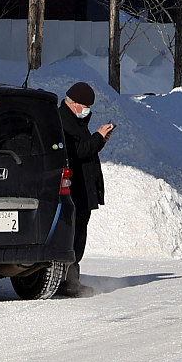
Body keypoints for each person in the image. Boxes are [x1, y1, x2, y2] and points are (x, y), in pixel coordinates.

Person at [58, 81, 115, 264]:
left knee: (80, 231)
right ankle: (69, 273)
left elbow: (86, 149)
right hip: (74, 188)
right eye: (85, 106)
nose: (87, 111)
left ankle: (73, 272)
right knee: (74, 233)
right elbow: (77, 152)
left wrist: (100, 141)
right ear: (74, 103)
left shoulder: (76, 121)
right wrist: (97, 137)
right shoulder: (63, 122)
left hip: (82, 189)